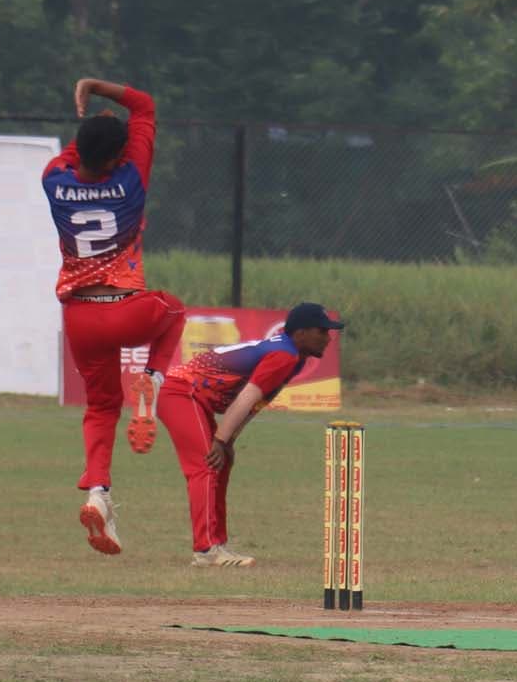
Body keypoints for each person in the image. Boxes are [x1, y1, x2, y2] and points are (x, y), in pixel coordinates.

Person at [46, 76, 188, 556]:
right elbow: (144, 106)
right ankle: (151, 379)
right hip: (128, 310)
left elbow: (79, 152)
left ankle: (97, 493)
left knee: (101, 407)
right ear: (116, 159)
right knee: (174, 309)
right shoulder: (131, 180)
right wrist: (97, 89)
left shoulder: (54, 180)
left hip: (80, 318)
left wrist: (93, 124)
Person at [155, 303, 344, 567]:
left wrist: (228, 441)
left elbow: (256, 403)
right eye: (322, 331)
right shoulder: (284, 355)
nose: (328, 338)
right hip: (181, 392)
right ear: (301, 333)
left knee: (219, 464)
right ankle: (207, 550)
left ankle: (217, 544)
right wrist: (220, 440)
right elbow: (247, 397)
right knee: (205, 466)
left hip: (190, 395)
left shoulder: (294, 357)